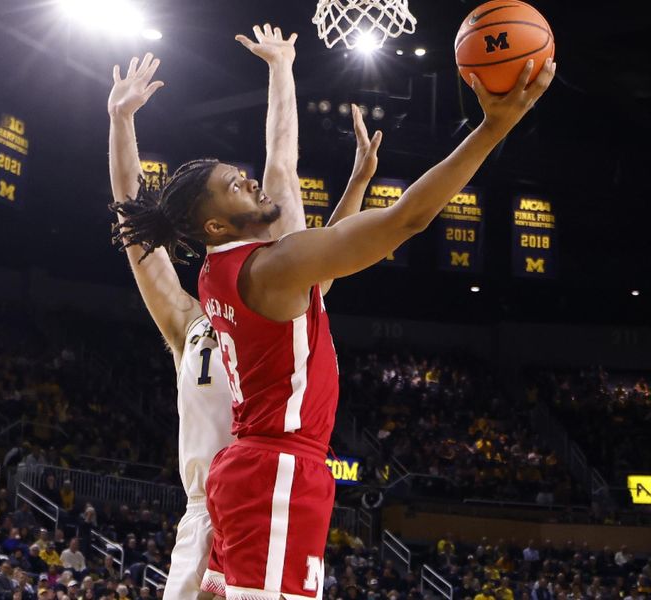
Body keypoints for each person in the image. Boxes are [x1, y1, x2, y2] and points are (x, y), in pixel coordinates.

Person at [117, 26, 555, 596]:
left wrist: (283, 72)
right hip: (270, 471)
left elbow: (282, 176)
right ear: (215, 225)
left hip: (255, 472)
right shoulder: (267, 270)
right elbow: (405, 219)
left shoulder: (221, 272)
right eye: (234, 185)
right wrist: (493, 127)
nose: (251, 179)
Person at [109, 24, 381, 600]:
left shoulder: (276, 303)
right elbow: (136, 224)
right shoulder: (191, 322)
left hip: (265, 496)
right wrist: (121, 122)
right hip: (214, 510)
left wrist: (283, 72)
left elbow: (288, 180)